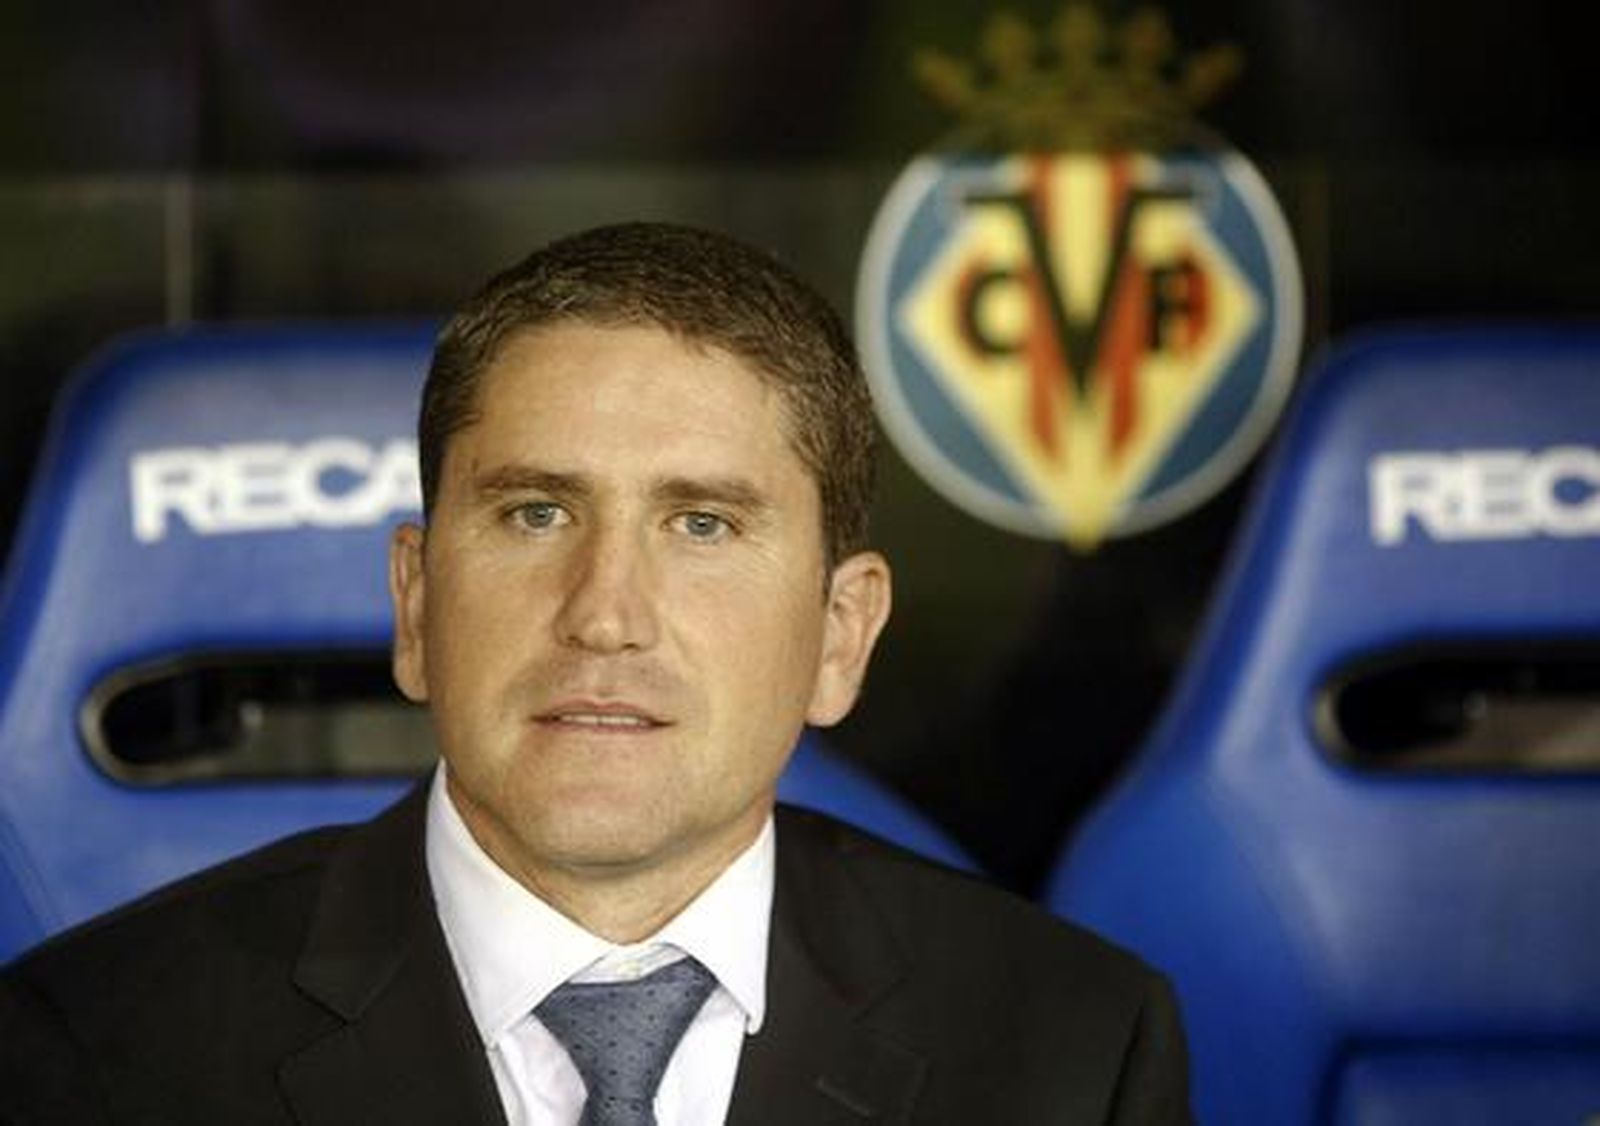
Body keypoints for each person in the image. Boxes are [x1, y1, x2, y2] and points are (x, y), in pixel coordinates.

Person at [0, 222, 1191, 1124]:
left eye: (704, 526)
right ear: (415, 604)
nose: (605, 616)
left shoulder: (1076, 1049)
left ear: (840, 634)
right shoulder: (90, 1053)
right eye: (533, 512)